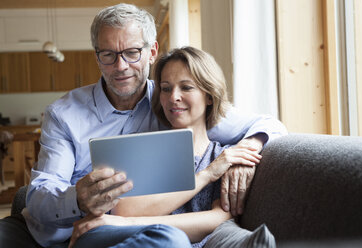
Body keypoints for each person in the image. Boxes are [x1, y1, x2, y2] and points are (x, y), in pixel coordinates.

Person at [0, 3, 287, 248]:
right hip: (49, 232)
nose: (121, 66)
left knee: (170, 239)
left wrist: (247, 151)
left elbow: (267, 124)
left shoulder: (173, 105)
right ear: (97, 57)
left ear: (152, 52)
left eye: (132, 52)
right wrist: (78, 198)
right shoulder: (64, 114)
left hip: (116, 230)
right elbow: (39, 195)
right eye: (108, 55)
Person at [68, 46, 264, 248]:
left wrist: (127, 224)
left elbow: (219, 218)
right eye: (166, 88)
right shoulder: (143, 147)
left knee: (172, 240)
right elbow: (124, 211)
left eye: (186, 87)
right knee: (171, 239)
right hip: (115, 235)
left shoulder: (224, 156)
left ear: (209, 96)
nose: (173, 97)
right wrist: (206, 175)